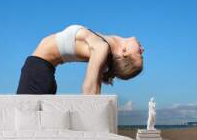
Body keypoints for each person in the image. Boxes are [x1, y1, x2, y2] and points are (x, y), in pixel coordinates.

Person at [16, 24, 144, 95]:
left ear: (125, 53)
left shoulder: (101, 47)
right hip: (42, 73)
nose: (142, 49)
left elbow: (90, 88)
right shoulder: (103, 45)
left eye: (139, 54)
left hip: (37, 74)